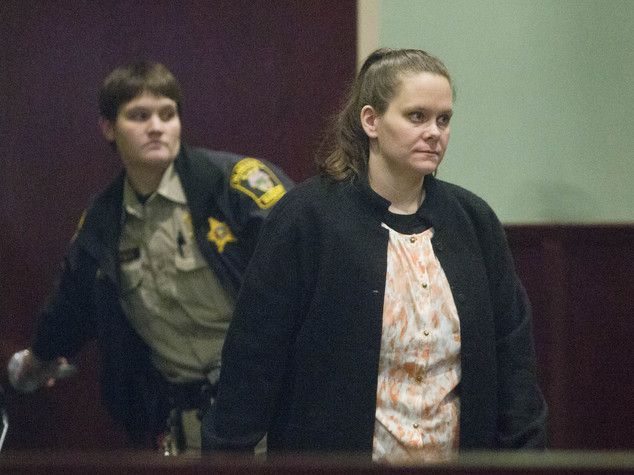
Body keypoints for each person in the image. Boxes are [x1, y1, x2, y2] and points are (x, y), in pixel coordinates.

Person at [201, 48, 548, 463]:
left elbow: (514, 357)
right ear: (371, 121)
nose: (434, 132)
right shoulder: (307, 217)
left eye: (444, 119)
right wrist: (227, 457)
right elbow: (254, 357)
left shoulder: (473, 220)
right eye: (417, 116)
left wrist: (527, 456)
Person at [7, 61, 293, 454]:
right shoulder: (105, 221)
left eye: (167, 114)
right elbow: (70, 306)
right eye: (139, 116)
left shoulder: (233, 185)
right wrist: (35, 362)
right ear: (108, 128)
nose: (157, 127)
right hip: (185, 423)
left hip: (270, 412)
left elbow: (311, 267)